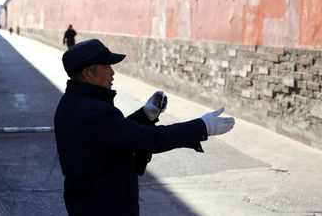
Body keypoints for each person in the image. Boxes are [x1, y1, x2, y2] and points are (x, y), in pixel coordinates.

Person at [54, 39, 235, 216]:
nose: (112, 72)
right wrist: (202, 126)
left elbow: (114, 133)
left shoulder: (77, 102)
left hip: (92, 201)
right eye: (106, 66)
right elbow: (148, 139)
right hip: (102, 205)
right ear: (87, 73)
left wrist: (145, 115)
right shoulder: (92, 110)